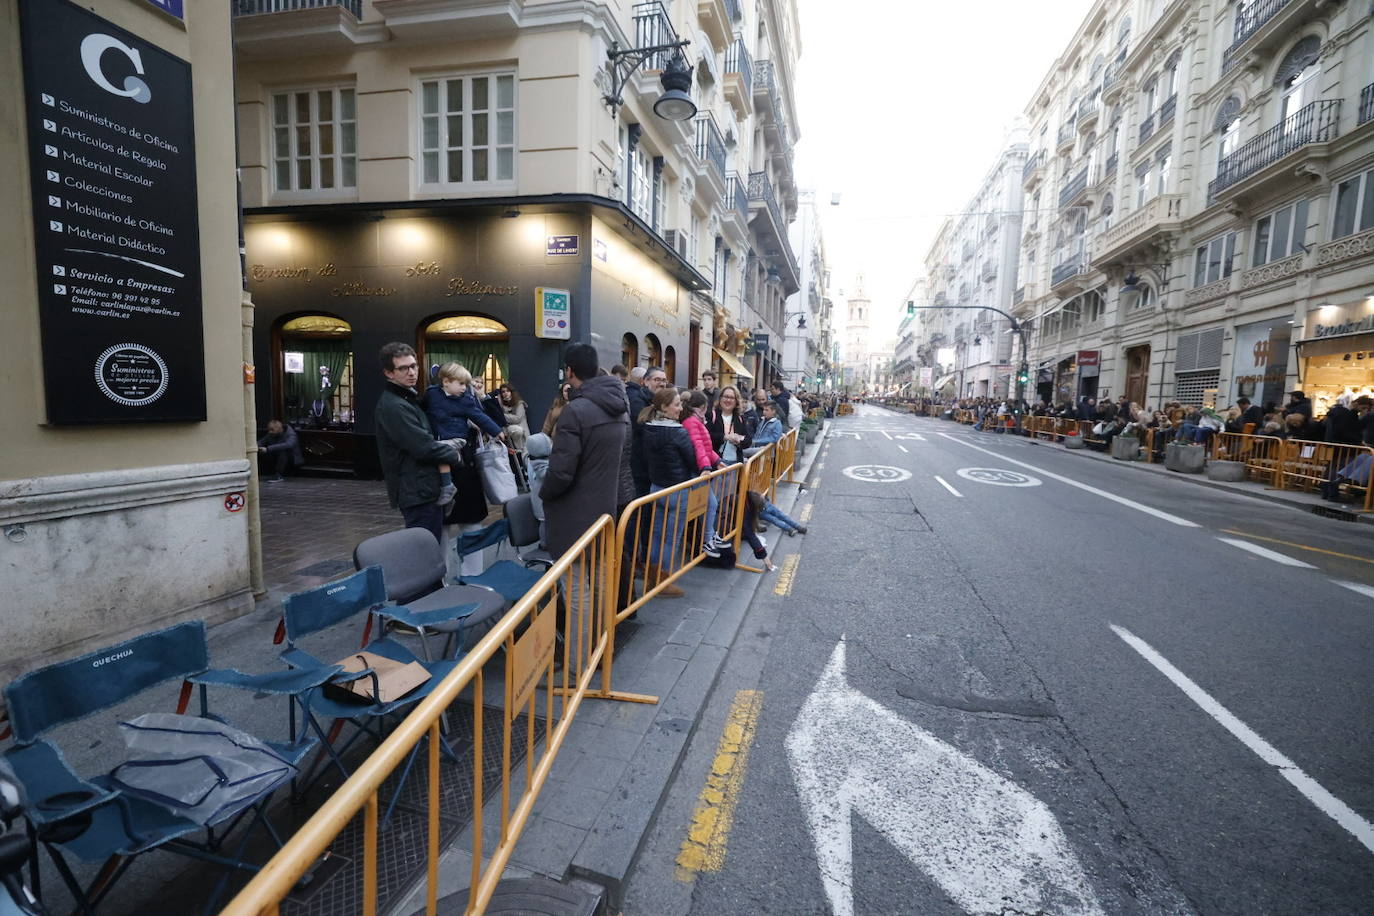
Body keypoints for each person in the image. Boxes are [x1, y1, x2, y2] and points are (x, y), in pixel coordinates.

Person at [539, 343, 629, 561]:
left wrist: (545, 493)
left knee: (575, 583)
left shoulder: (576, 410)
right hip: (606, 506)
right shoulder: (618, 406)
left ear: (569, 371)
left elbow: (561, 472)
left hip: (575, 512)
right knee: (600, 572)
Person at [374, 343, 464, 543]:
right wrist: (454, 455)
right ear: (389, 373)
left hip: (424, 488)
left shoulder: (406, 398)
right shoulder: (394, 405)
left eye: (414, 366)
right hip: (416, 491)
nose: (412, 372)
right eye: (403, 368)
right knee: (425, 553)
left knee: (431, 547)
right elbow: (423, 447)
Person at [637, 386, 694, 597]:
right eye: (677, 404)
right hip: (677, 490)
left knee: (656, 536)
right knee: (671, 539)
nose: (680, 408)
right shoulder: (678, 432)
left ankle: (652, 577)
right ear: (664, 407)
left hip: (656, 488)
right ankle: (663, 581)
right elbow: (692, 460)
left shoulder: (648, 428)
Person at [422, 363, 505, 508]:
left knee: (440, 452)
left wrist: (496, 431)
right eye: (461, 384)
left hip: (457, 437)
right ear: (446, 382)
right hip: (439, 436)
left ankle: (448, 485)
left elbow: (480, 416)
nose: (464, 388)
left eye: (466, 384)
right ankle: (447, 494)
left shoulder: (465, 400)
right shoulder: (432, 394)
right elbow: (422, 408)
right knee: (436, 453)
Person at [682, 390, 731, 557]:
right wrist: (706, 467)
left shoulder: (696, 422)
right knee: (711, 504)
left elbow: (705, 448)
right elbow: (699, 447)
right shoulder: (692, 423)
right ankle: (707, 539)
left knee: (711, 504)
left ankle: (709, 536)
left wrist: (716, 461)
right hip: (698, 472)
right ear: (701, 407)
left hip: (701, 470)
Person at [628, 366, 666, 498]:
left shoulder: (660, 402)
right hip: (640, 466)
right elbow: (643, 428)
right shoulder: (637, 400)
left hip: (654, 468)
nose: (661, 383)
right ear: (645, 381)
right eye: (657, 379)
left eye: (664, 380)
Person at [707, 385, 753, 465]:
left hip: (735, 463)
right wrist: (724, 437)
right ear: (720, 398)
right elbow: (706, 437)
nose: (728, 400)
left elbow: (748, 440)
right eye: (725, 396)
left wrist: (739, 441)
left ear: (736, 401)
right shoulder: (711, 415)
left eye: (732, 398)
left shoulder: (740, 418)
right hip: (716, 463)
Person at [497, 384, 530, 451]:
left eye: (508, 391)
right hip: (508, 432)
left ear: (512, 392)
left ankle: (520, 450)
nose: (506, 393)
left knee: (518, 431)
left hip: (522, 433)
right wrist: (499, 401)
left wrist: (502, 415)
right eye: (503, 392)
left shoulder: (519, 404)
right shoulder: (501, 405)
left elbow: (517, 419)